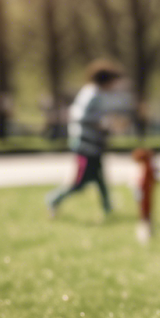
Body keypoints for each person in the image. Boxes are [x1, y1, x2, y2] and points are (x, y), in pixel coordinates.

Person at [45, 60, 131, 218]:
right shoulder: (92, 94)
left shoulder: (95, 93)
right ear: (106, 80)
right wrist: (105, 123)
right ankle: (53, 200)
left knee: (100, 180)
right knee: (80, 182)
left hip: (93, 145)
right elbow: (81, 116)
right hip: (86, 145)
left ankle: (108, 209)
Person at [131, 148, 157, 243]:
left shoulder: (147, 167)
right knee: (144, 210)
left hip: (144, 192)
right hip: (143, 192)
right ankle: (147, 228)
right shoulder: (145, 167)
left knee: (145, 210)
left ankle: (146, 230)